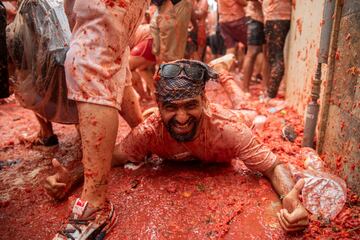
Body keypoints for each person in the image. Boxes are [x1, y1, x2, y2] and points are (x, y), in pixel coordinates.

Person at [46, 60, 309, 233]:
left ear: (203, 102)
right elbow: (109, 158)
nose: (181, 118)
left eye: (190, 105)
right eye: (170, 107)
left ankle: (224, 71)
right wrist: (72, 176)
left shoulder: (230, 130)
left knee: (249, 109)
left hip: (238, 117)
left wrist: (290, 199)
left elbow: (274, 166)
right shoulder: (150, 132)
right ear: (159, 107)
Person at [50, 0, 149, 239]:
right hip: (148, 137)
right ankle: (140, 130)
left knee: (94, 51)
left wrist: (74, 175)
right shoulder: (156, 132)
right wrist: (72, 176)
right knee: (103, 45)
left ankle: (94, 205)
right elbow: (118, 153)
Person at [261, 0, 292, 98]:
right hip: (281, 14)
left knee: (275, 58)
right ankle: (270, 92)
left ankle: (271, 94)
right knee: (274, 56)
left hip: (275, 15)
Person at [242, 0, 265, 94]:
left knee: (266, 53)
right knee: (252, 52)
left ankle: (265, 89)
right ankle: (245, 89)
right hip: (255, 17)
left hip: (265, 18)